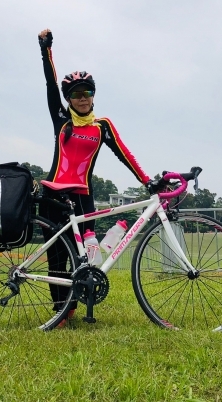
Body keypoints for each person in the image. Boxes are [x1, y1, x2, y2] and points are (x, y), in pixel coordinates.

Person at [37, 28, 151, 326]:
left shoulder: (102, 126)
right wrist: (45, 49)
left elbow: (124, 154)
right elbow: (50, 83)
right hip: (54, 195)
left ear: (93, 95)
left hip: (82, 196)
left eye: (87, 92)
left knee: (87, 255)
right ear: (69, 99)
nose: (83, 98)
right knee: (57, 258)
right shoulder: (62, 121)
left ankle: (78, 302)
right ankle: (63, 310)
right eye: (76, 94)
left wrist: (147, 181)